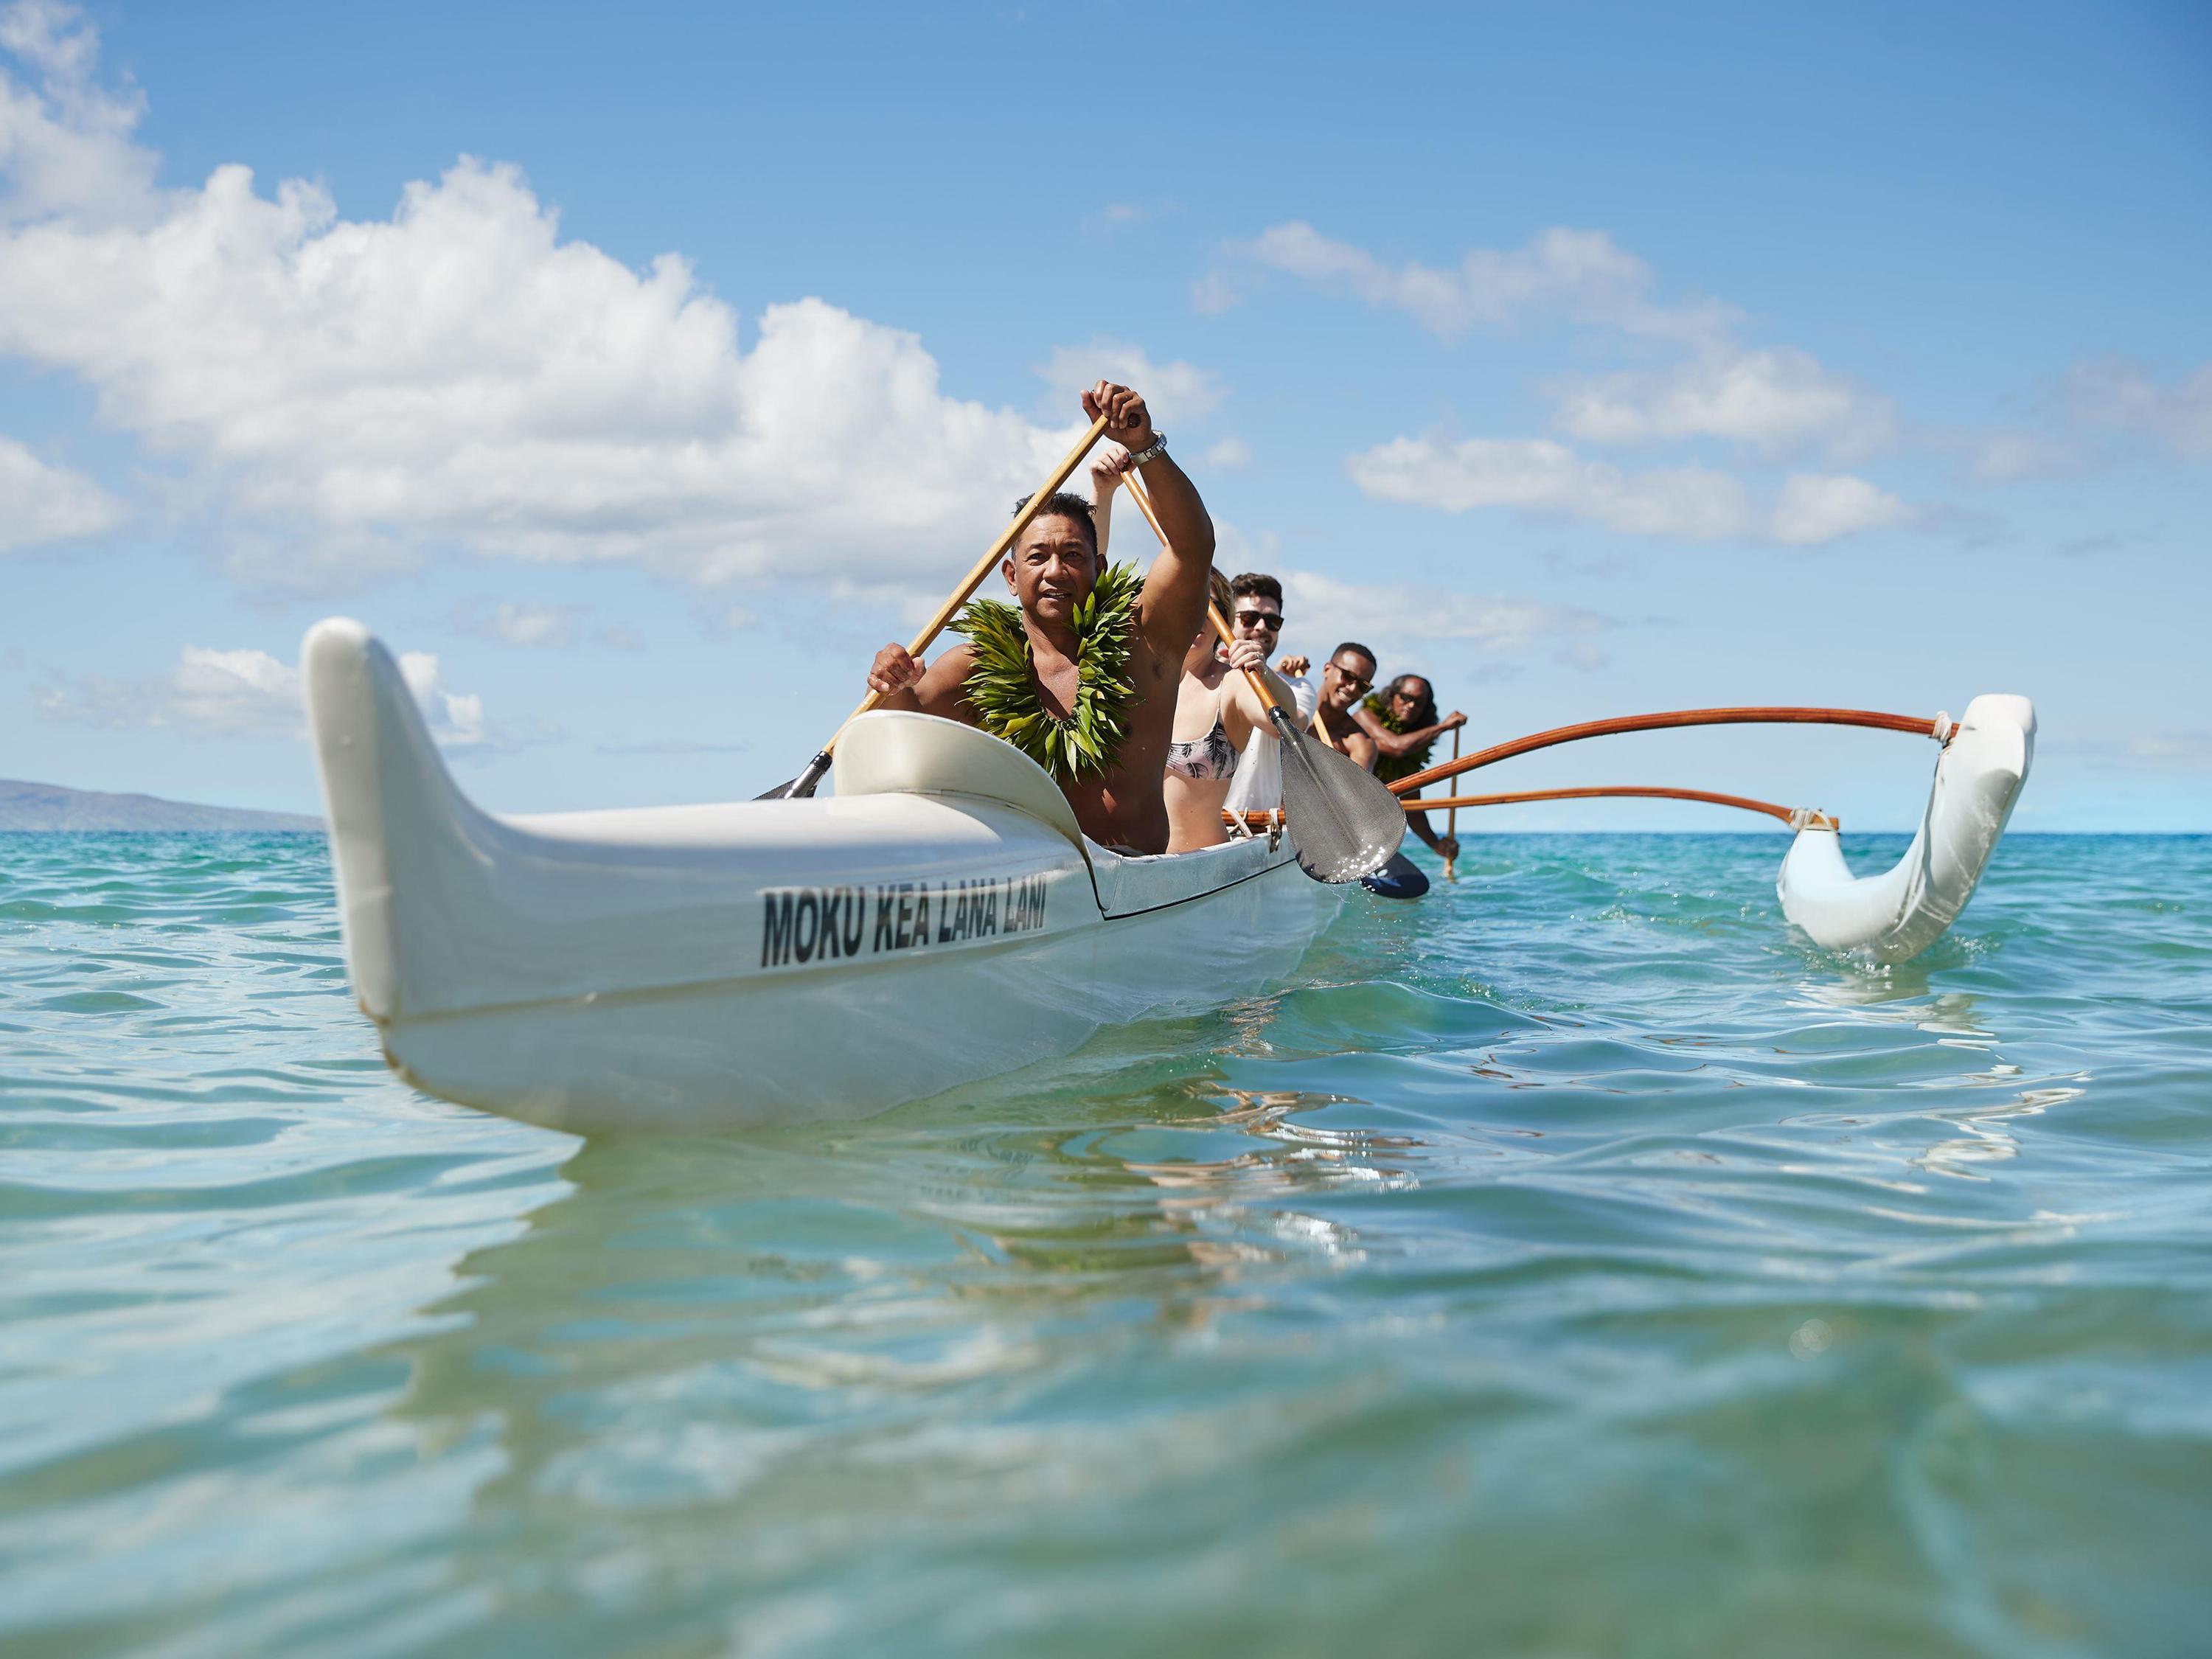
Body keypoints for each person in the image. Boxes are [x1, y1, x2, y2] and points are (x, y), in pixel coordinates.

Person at [864, 380, 1214, 855]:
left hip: (1135, 883)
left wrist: (1143, 446)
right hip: (1029, 886)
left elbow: (1191, 549)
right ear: (1010, 575)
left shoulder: (1145, 639)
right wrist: (892, 683)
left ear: (1099, 568)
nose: (1056, 570)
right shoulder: (975, 665)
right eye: (1038, 557)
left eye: (1073, 554)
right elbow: (903, 730)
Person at [1160, 570, 1303, 852]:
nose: (1195, 613)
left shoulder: (1233, 683)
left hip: (1200, 871)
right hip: (1129, 866)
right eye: (1184, 600)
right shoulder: (1135, 679)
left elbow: (1284, 725)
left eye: (1208, 605)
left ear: (1224, 619)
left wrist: (1265, 672)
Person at [1217, 573, 1318, 817]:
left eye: (1272, 622)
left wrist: (1264, 671)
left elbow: (1289, 727)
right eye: (1250, 618)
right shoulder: (1200, 674)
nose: (1262, 627)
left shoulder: (1298, 687)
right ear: (1229, 620)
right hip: (1203, 827)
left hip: (1256, 829)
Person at [1355, 673, 1466, 863]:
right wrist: (1443, 727)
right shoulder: (1364, 717)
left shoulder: (1412, 752)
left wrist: (1437, 845)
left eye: (1419, 702)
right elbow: (1396, 747)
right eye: (1406, 698)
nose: (1412, 706)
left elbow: (1412, 808)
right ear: (1392, 696)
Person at [1310, 643, 1381, 771]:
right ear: (1327, 670)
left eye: (1363, 686)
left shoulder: (1361, 743)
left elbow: (1357, 789)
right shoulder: (1292, 710)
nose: (1353, 688)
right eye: (1348, 676)